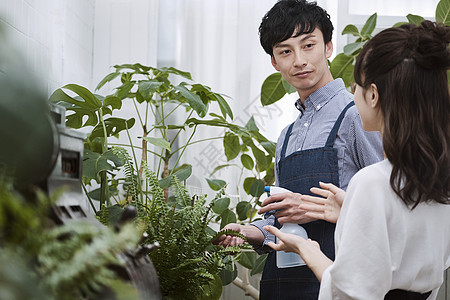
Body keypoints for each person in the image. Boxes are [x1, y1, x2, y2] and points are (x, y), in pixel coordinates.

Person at [264, 20, 450, 300]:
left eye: (356, 85)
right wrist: (351, 213)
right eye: (286, 51)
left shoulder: (372, 182)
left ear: (373, 95)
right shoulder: (439, 184)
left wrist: (308, 250)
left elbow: (349, 294)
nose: (352, 94)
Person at [213, 0, 383, 299]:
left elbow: (389, 204)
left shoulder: (358, 114)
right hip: (283, 282)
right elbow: (282, 217)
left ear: (328, 47)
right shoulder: (286, 136)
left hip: (338, 275)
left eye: (308, 45)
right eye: (286, 51)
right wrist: (251, 232)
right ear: (275, 62)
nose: (299, 60)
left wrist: (324, 209)